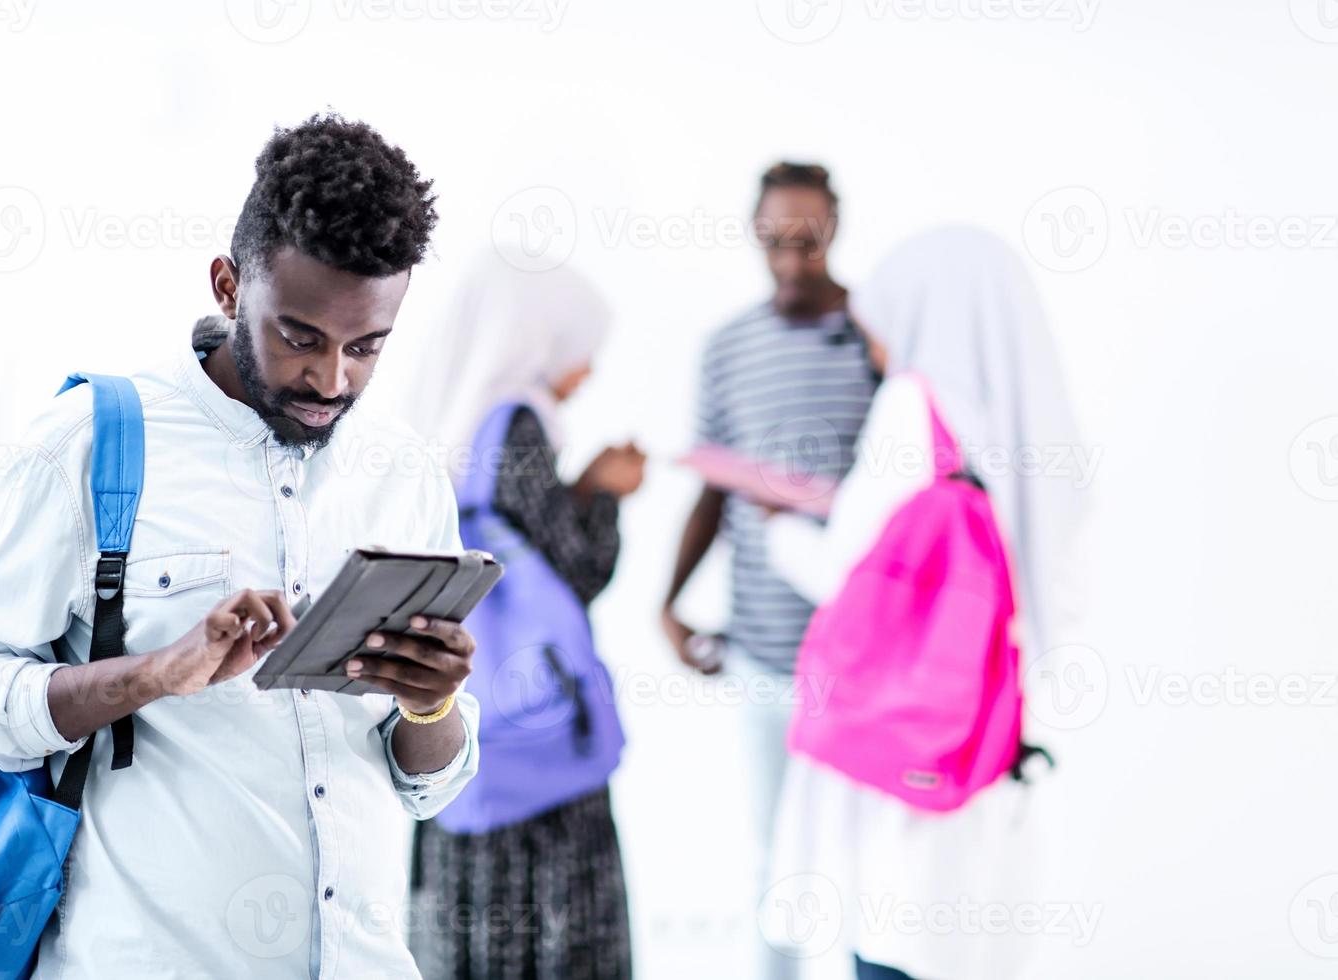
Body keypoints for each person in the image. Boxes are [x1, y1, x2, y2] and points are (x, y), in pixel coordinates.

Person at [0, 113, 482, 979]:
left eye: (367, 347)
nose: (333, 381)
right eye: (301, 337)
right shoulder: (91, 444)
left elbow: (429, 787)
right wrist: (154, 675)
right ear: (227, 285)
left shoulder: (404, 474)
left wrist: (432, 706)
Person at [763, 226, 1087, 980]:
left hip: (898, 753)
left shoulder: (914, 403)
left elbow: (845, 577)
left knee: (888, 944)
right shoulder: (1031, 422)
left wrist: (780, 530)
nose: (876, 349)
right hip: (987, 744)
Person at [660, 161, 879, 980]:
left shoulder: (876, 339)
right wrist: (669, 602)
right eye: (773, 239)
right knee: (776, 866)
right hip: (760, 651)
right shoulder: (727, 347)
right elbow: (714, 487)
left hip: (864, 660)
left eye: (806, 239)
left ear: (833, 230)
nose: (789, 257)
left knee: (869, 872)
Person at [402, 252, 644, 979]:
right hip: (540, 756)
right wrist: (605, 492)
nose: (587, 370)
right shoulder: (518, 424)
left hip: (470, 723)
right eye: (580, 348)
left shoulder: (452, 419)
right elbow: (574, 571)